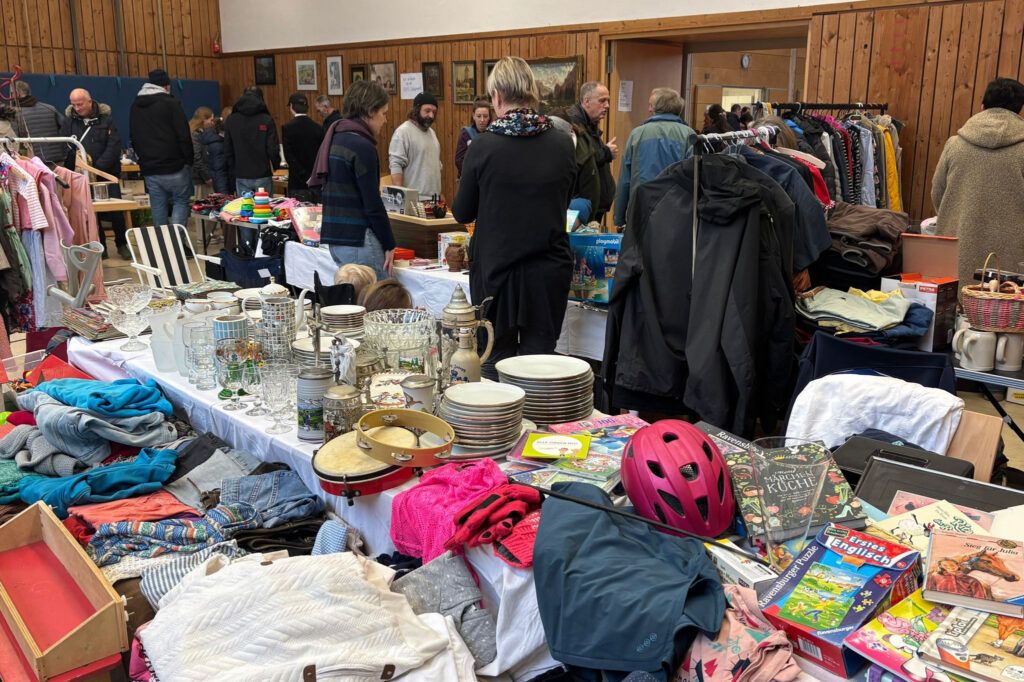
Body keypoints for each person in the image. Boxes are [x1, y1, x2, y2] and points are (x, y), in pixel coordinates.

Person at [453, 56, 576, 377]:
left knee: (494, 362)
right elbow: (564, 200)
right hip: (547, 270)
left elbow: (463, 211)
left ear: (496, 96)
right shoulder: (563, 143)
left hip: (497, 272)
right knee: (540, 368)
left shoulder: (483, 147)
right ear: (532, 92)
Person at [932, 77, 1024, 288]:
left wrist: (958, 216)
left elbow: (938, 194)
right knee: (1004, 305)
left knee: (957, 304)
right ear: (1019, 110)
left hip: (958, 250)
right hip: (1012, 260)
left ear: (982, 105)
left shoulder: (954, 144)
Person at [310, 79, 396, 280]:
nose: (385, 120)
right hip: (359, 239)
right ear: (370, 111)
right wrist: (389, 243)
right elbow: (372, 203)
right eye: (383, 113)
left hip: (335, 239)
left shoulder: (334, 137)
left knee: (353, 299)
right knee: (381, 297)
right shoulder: (362, 146)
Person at [59, 88, 128, 259]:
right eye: (74, 105)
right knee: (90, 213)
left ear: (89, 101)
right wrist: (81, 168)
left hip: (106, 173)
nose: (77, 108)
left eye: (80, 104)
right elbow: (64, 145)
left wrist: (96, 168)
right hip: (82, 176)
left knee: (116, 211)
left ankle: (122, 243)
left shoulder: (106, 120)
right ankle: (100, 245)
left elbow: (114, 146)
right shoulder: (68, 122)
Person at [613, 88, 695, 229]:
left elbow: (625, 180)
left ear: (657, 107)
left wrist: (619, 218)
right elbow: (694, 177)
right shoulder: (689, 135)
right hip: (677, 210)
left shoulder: (637, 134)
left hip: (641, 209)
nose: (648, 109)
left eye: (650, 105)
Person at [129, 69, 193, 228]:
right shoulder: (171, 103)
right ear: (167, 86)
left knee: (158, 205)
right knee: (180, 201)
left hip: (150, 167)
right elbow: (183, 135)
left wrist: (142, 160)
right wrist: (188, 160)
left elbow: (133, 136)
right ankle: (176, 239)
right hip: (175, 165)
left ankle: (161, 241)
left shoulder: (136, 106)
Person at [568, 81, 617, 222]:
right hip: (580, 209)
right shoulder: (574, 125)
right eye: (602, 101)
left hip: (591, 207)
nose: (607, 105)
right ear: (587, 101)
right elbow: (579, 161)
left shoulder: (589, 123)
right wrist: (605, 152)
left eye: (608, 101)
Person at [223, 86, 280, 196]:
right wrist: (276, 164)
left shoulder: (231, 119)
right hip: (262, 173)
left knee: (245, 206)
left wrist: (233, 168)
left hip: (241, 173)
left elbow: (227, 148)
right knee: (264, 206)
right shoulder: (266, 119)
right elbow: (272, 148)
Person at [548, 108, 600, 228]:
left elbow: (591, 192)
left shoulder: (583, 152)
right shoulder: (549, 146)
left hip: (574, 213)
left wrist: (589, 220)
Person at [389, 92, 442, 197]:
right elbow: (396, 165)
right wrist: (401, 200)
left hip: (434, 199)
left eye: (434, 112)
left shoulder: (432, 133)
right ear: (416, 110)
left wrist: (439, 194)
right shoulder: (403, 132)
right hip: (413, 200)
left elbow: (436, 166)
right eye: (427, 111)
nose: (431, 115)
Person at [281, 93, 325, 200]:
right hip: (315, 180)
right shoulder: (318, 127)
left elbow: (289, 157)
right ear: (307, 108)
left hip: (297, 182)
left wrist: (303, 174)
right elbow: (322, 155)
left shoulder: (287, 128)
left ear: (291, 107)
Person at [13, 81, 64, 163]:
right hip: (56, 160)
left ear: (17, 94)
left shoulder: (13, 114)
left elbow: (12, 141)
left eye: (11, 93)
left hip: (33, 164)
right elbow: (66, 128)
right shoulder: (50, 108)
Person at [455, 97, 492, 177]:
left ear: (489, 117)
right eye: (479, 116)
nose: (482, 120)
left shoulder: (493, 134)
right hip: (470, 177)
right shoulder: (466, 134)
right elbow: (459, 160)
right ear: (473, 116)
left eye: (485, 116)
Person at [189, 106, 215, 197]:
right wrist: (207, 177)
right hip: (200, 179)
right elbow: (197, 158)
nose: (212, 123)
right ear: (204, 120)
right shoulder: (195, 135)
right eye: (211, 120)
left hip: (198, 177)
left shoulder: (195, 132)